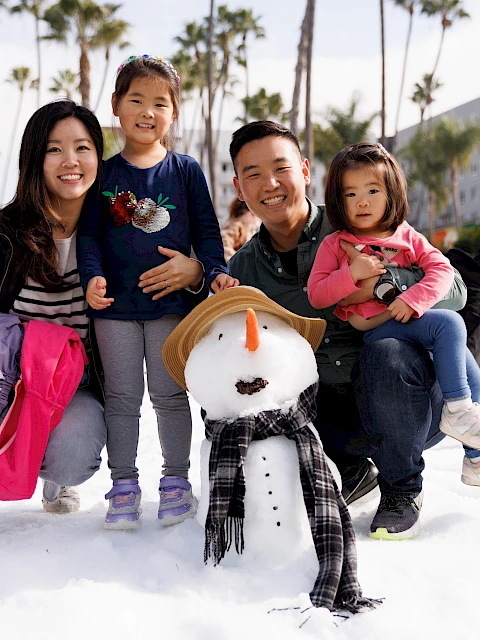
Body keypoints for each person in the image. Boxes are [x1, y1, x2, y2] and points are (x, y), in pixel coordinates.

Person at [227, 120, 470, 540]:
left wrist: (379, 286)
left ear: (305, 171)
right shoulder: (243, 270)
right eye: (253, 174)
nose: (270, 183)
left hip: (404, 397)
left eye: (280, 168)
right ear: (238, 186)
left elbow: (456, 291)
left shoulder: (362, 222)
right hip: (329, 412)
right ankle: (351, 473)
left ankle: (402, 490)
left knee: (387, 352)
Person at [77, 54, 238, 530]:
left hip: (172, 308)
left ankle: (176, 483)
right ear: (116, 106)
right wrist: (91, 277)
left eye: (160, 103)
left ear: (174, 111)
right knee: (123, 398)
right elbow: (88, 236)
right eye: (137, 100)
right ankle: (123, 485)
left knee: (170, 397)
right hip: (114, 310)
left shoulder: (186, 171)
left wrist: (213, 272)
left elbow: (208, 232)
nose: (148, 111)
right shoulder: (103, 175)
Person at [307, 142, 480, 454]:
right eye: (351, 194)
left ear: (391, 193)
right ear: (338, 200)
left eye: (372, 191)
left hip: (411, 319)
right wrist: (352, 273)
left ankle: (475, 454)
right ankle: (456, 412)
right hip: (378, 331)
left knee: (469, 366)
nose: (362, 202)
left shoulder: (406, 235)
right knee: (451, 325)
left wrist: (413, 298)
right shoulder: (336, 243)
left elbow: (442, 271)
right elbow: (318, 294)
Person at [0, 99, 107, 513]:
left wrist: (193, 271)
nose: (70, 161)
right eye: (54, 149)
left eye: (82, 147)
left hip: (72, 387)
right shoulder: (7, 233)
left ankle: (54, 480)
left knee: (72, 456)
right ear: (34, 158)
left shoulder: (114, 239)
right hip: (8, 377)